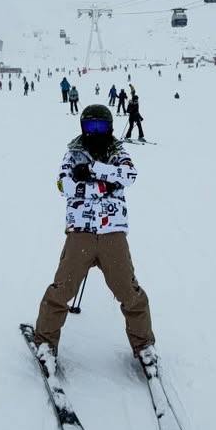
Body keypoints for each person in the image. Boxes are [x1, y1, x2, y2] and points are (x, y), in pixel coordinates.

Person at [31, 103, 156, 367]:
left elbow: (129, 175)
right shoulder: (72, 154)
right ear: (82, 127)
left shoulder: (117, 152)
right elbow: (65, 186)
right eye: (90, 126)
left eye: (100, 126)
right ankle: (45, 342)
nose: (95, 132)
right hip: (81, 233)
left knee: (129, 292)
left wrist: (93, 172)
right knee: (62, 289)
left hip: (113, 234)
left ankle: (143, 345)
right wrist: (104, 186)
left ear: (110, 127)